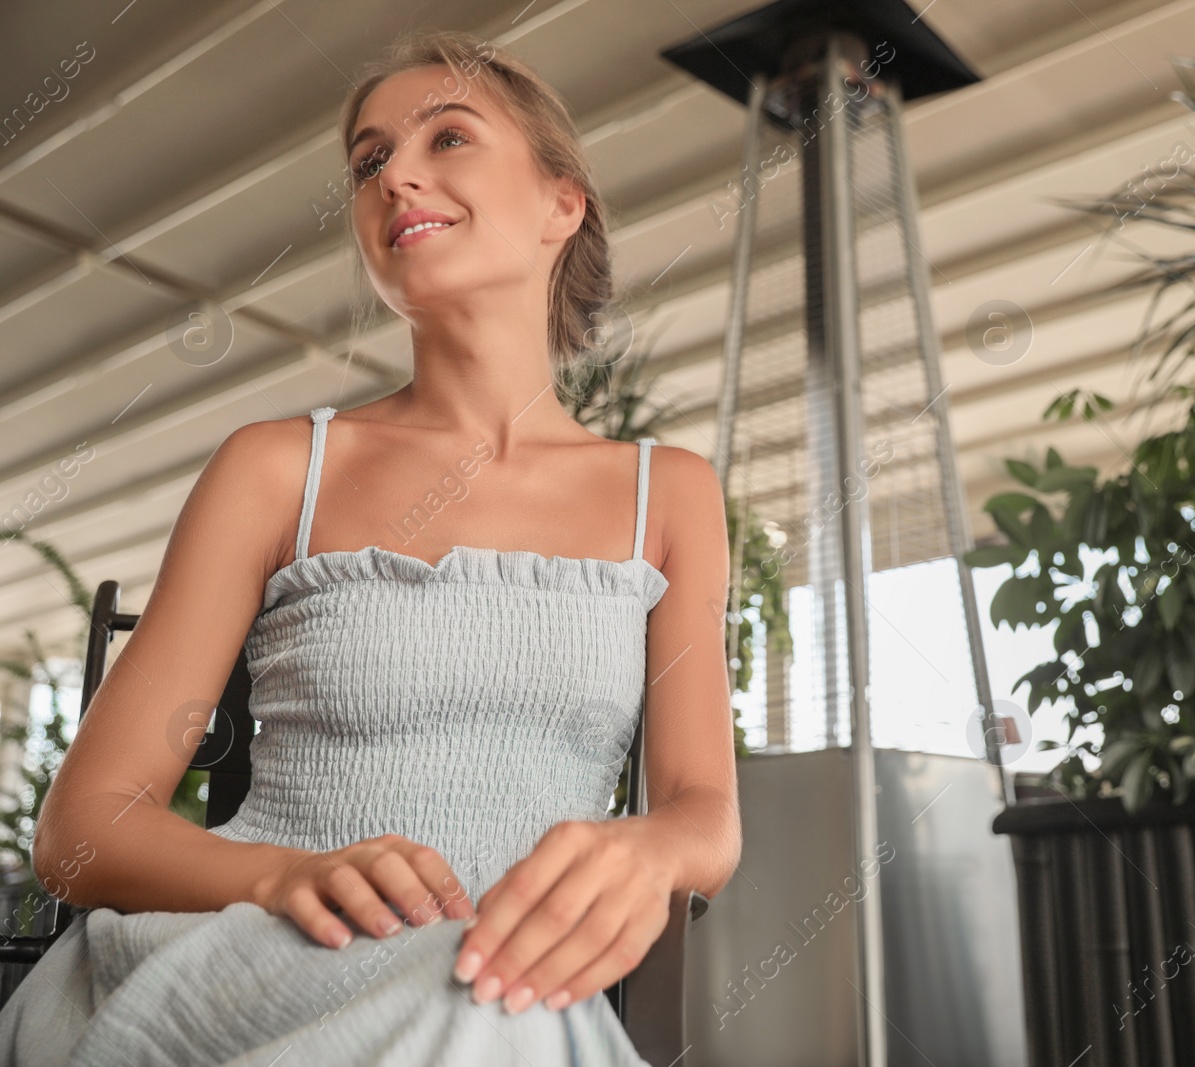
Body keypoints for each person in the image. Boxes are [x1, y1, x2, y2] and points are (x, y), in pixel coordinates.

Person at [0, 27, 740, 1066]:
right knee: (500, 1000)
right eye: (368, 161)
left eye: (447, 138)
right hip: (247, 965)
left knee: (496, 994)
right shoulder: (276, 472)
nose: (396, 173)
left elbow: (703, 808)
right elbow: (80, 828)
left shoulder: (669, 495)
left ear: (560, 205)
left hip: (503, 992)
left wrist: (646, 849)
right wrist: (277, 876)